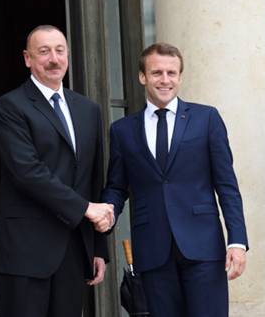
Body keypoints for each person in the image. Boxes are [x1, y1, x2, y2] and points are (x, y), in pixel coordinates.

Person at [101, 42, 249, 317]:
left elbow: (227, 185)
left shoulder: (206, 118)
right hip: (153, 250)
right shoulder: (122, 130)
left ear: (180, 77)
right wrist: (107, 212)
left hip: (203, 247)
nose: (165, 80)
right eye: (157, 72)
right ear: (142, 77)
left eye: (172, 73)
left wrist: (237, 242)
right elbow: (117, 187)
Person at [0, 24, 113, 316]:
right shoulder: (9, 107)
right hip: (26, 249)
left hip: (73, 247)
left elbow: (93, 179)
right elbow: (27, 172)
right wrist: (85, 208)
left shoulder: (88, 109)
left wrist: (97, 248)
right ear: (27, 58)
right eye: (43, 51)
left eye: (59, 50)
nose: (53, 59)